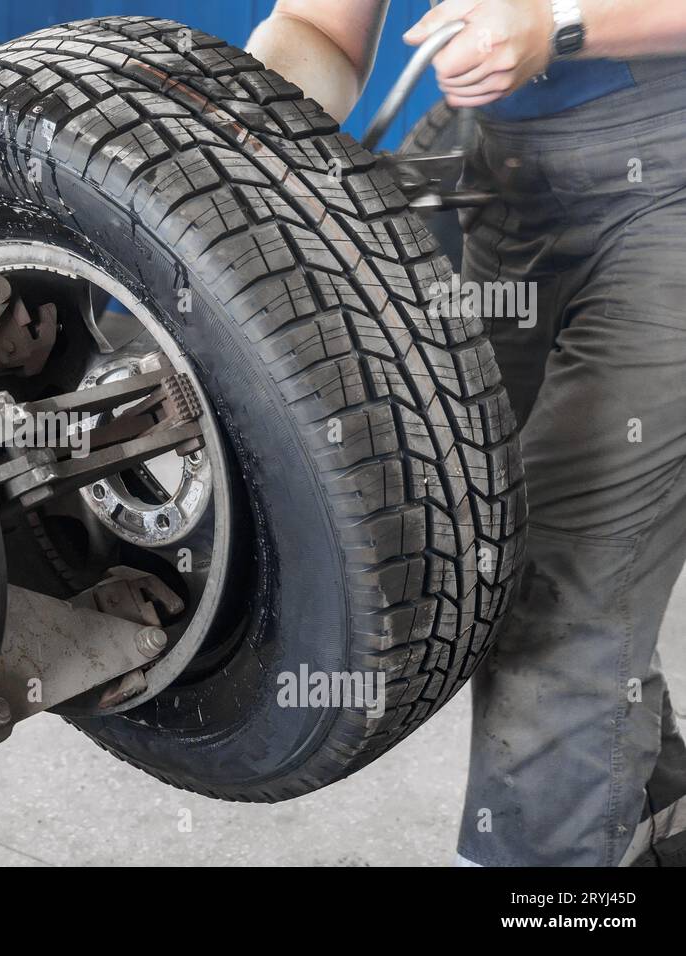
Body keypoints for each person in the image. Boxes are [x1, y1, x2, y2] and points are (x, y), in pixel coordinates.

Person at [248, 0, 686, 865]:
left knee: (562, 585)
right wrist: (247, 117)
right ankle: (648, 811)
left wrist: (561, 25)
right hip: (512, 184)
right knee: (489, 540)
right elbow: (318, 26)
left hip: (672, 182)